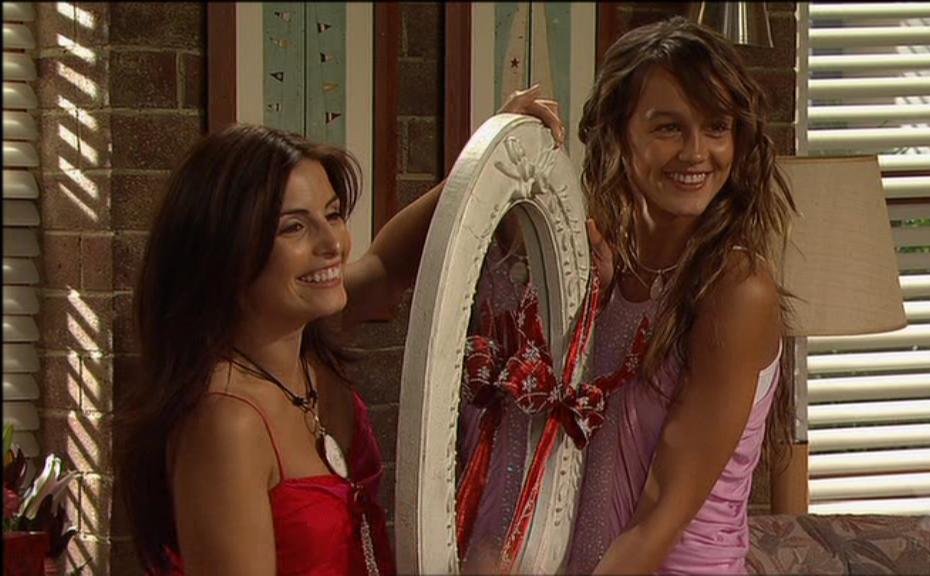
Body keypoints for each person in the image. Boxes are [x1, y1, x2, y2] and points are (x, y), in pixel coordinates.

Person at [114, 87, 562, 575]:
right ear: (225, 251)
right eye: (294, 228)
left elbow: (386, 267)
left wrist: (487, 163)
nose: (332, 243)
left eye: (332, 215)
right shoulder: (226, 423)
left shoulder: (304, 345)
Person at [566, 17, 796, 574]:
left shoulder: (735, 290)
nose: (697, 153)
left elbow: (659, 519)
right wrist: (498, 145)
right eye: (669, 128)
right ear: (619, 134)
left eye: (716, 127)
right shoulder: (607, 271)